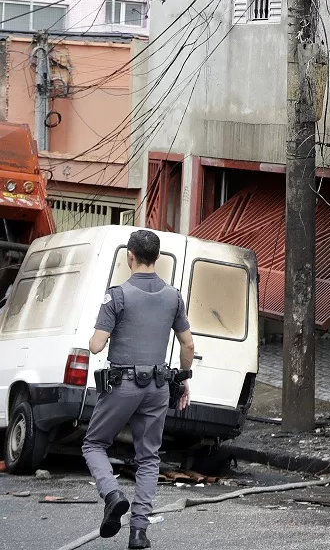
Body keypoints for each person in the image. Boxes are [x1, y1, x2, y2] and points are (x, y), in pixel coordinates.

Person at [84, 230, 194, 549]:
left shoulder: (117, 295)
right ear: (156, 258)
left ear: (129, 255)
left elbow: (95, 345)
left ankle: (113, 495)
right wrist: (184, 378)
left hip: (122, 384)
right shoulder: (173, 296)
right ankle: (138, 532)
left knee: (93, 443)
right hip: (158, 386)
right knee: (148, 458)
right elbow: (187, 343)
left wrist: (107, 328)